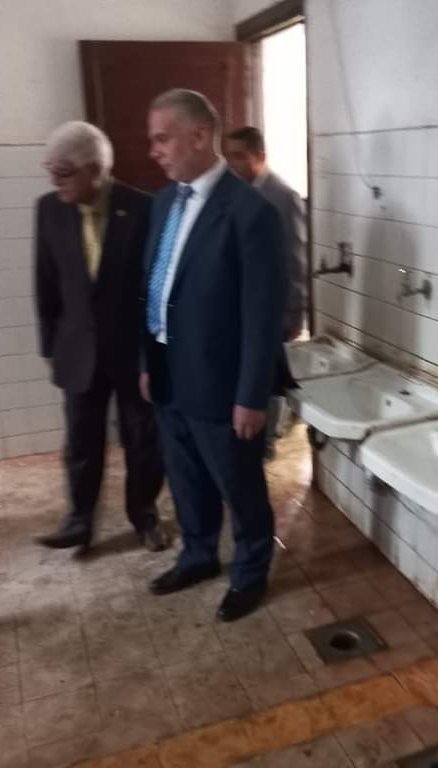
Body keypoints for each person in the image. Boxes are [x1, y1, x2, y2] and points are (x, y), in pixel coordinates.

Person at [140, 90, 286, 623]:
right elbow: (155, 289)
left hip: (222, 384)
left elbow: (262, 316)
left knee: (239, 486)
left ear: (200, 136)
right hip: (168, 372)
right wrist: (146, 361)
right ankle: (198, 555)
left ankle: (250, 573)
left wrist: (252, 396)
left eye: (163, 139)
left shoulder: (250, 212)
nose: (154, 151)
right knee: (184, 477)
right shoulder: (163, 203)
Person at [34, 121, 166, 553]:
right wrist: (51, 347)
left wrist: (156, 355)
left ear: (95, 170)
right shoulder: (49, 209)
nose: (54, 181)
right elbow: (45, 282)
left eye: (63, 172)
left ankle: (144, 516)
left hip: (132, 354)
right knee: (80, 441)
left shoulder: (143, 209)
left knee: (142, 441)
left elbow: (154, 290)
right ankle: (79, 521)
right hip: (77, 351)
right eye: (51, 170)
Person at [225, 126, 308, 458]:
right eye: (229, 156)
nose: (233, 164)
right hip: (240, 310)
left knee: (268, 376)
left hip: (274, 310)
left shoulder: (283, 196)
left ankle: (268, 442)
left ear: (260, 156)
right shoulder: (233, 193)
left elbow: (295, 261)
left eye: (240, 156)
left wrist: (295, 314)